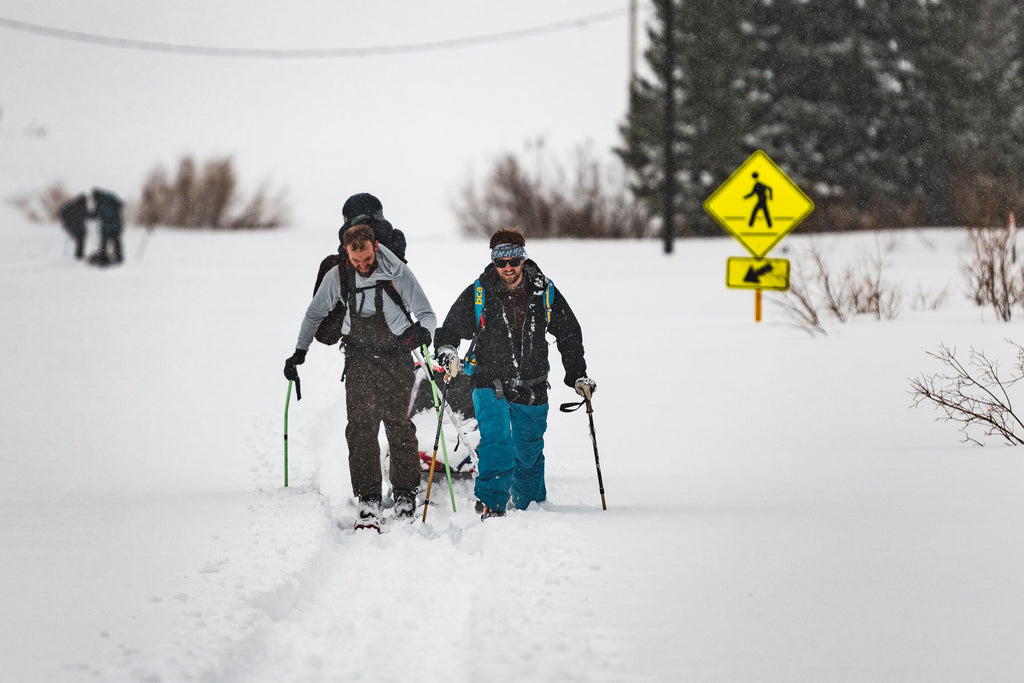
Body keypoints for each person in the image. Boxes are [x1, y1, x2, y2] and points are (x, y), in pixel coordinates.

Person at [283, 209, 435, 530]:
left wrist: (425, 332)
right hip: (359, 357)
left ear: (375, 246)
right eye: (357, 260)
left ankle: (405, 492)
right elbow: (314, 315)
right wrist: (300, 351)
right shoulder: (338, 275)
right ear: (347, 252)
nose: (364, 265)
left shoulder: (396, 270)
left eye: (368, 258)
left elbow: (426, 312)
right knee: (361, 426)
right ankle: (368, 498)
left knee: (399, 424)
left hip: (397, 355)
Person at [433, 228, 595, 519]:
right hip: (488, 380)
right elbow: (450, 330)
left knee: (528, 450)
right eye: (500, 261)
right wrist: (447, 352)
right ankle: (491, 503)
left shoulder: (544, 290)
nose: (508, 267)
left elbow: (569, 333)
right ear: (493, 261)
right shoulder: (479, 292)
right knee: (496, 441)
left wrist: (577, 375)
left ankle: (529, 506)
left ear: (523, 257)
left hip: (533, 384)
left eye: (514, 259)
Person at [89, 188, 125, 265]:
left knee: (104, 242)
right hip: (117, 225)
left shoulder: (100, 202)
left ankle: (103, 258)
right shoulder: (111, 197)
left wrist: (88, 215)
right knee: (116, 241)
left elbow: (95, 214)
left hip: (106, 227)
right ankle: (119, 257)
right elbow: (121, 205)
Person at [58, 193, 89, 259]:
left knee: (79, 237)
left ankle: (78, 255)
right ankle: (79, 256)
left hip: (69, 226)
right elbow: (86, 215)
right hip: (75, 227)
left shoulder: (70, 204)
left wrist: (66, 222)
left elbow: (60, 212)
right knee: (81, 237)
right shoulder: (80, 207)